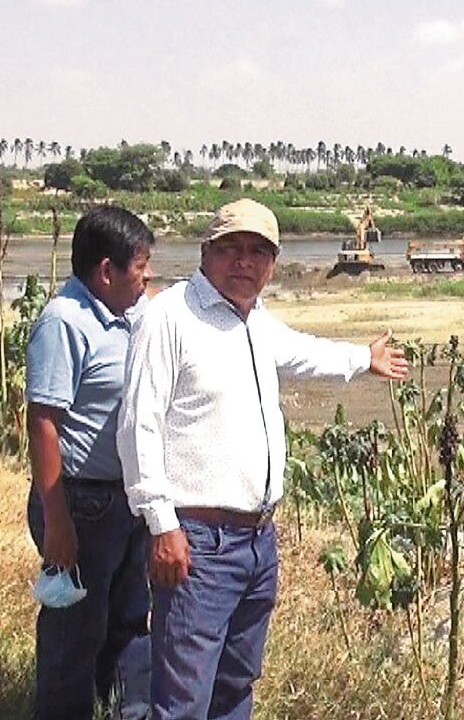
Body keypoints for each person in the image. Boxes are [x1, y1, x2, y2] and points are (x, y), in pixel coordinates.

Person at [117, 198, 410, 720]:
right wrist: (161, 525)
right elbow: (139, 425)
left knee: (235, 687)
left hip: (256, 543)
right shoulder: (171, 315)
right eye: (231, 249)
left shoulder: (254, 320)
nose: (244, 262)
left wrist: (364, 358)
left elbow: (302, 352)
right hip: (197, 544)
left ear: (273, 263)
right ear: (207, 252)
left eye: (258, 252)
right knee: (183, 699)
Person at [25, 205, 156, 719]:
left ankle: (131, 710)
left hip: (126, 500)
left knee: (129, 618)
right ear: (106, 271)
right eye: (140, 273)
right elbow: (43, 423)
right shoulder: (65, 321)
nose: (146, 283)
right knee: (75, 631)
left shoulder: (127, 312)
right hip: (81, 502)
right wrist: (58, 520)